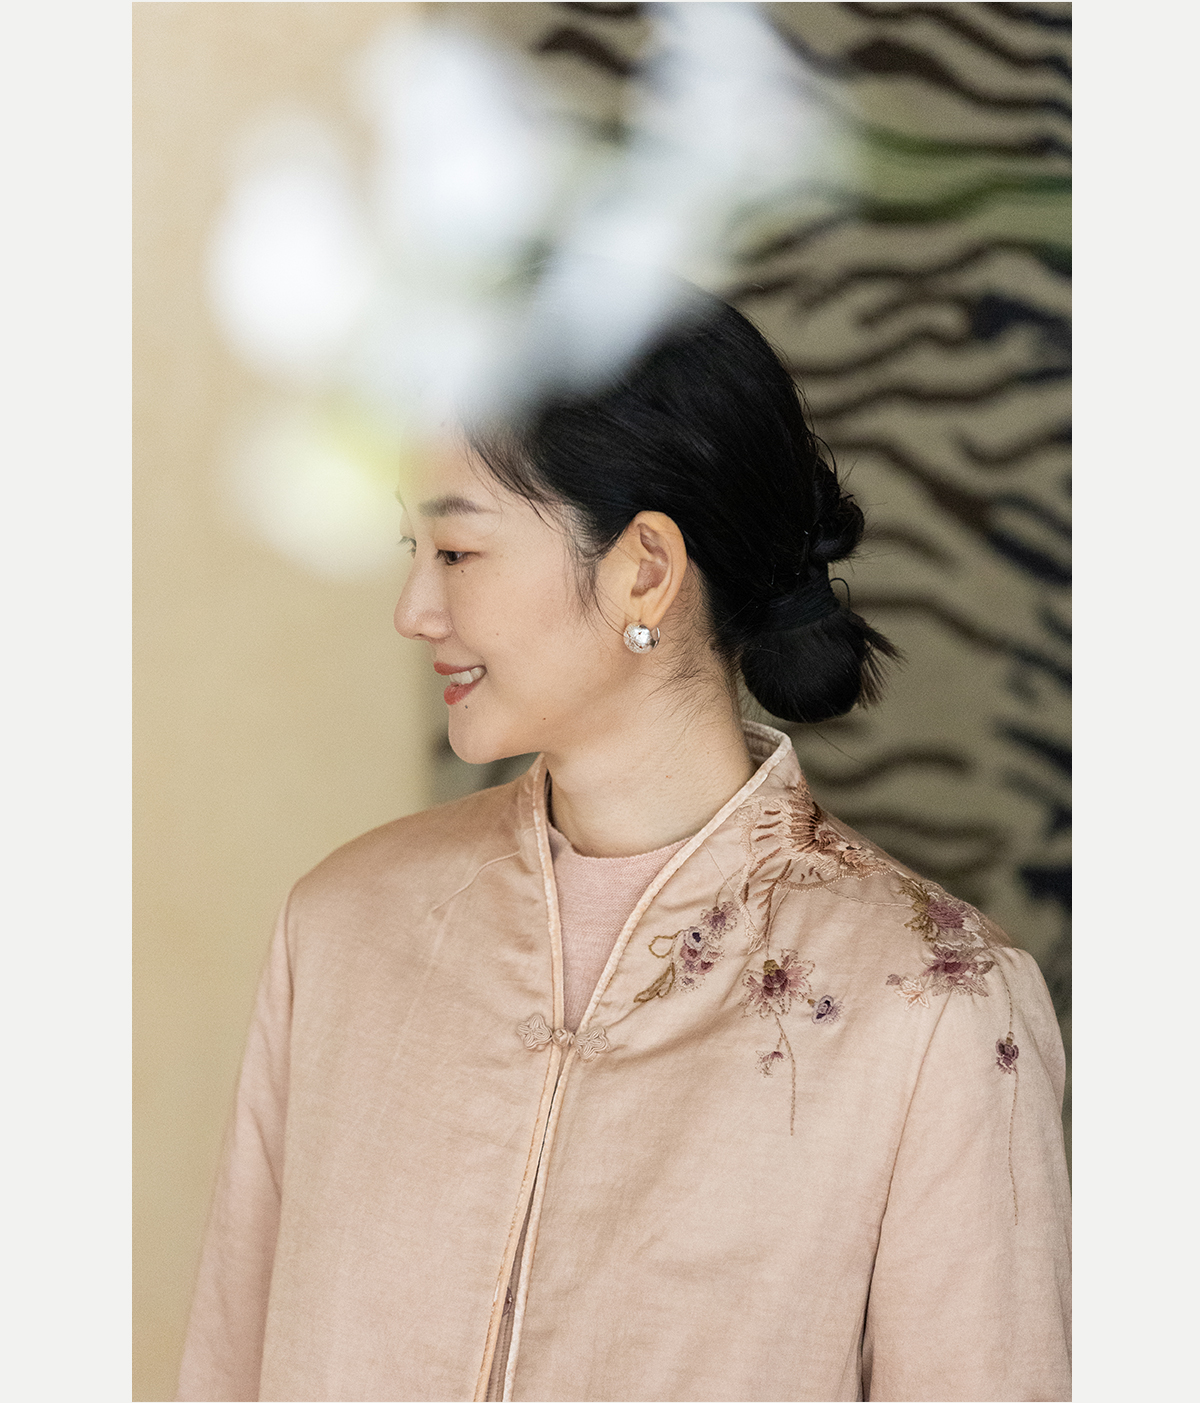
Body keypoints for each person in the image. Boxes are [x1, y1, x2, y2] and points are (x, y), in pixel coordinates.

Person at [177, 295, 1071, 1402]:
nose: (414, 608)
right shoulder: (344, 927)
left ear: (645, 568)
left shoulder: (936, 1005)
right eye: (416, 547)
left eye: (456, 548)